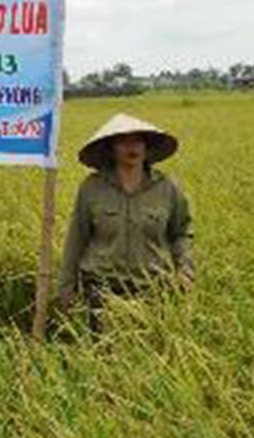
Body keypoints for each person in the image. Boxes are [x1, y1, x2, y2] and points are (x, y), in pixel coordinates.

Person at [58, 113, 194, 332]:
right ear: (111, 148)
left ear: (146, 146)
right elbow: (77, 238)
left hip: (154, 291)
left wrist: (185, 270)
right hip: (101, 291)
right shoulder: (92, 188)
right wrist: (66, 286)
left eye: (138, 140)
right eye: (123, 141)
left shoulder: (167, 188)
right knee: (102, 358)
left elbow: (181, 233)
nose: (132, 147)